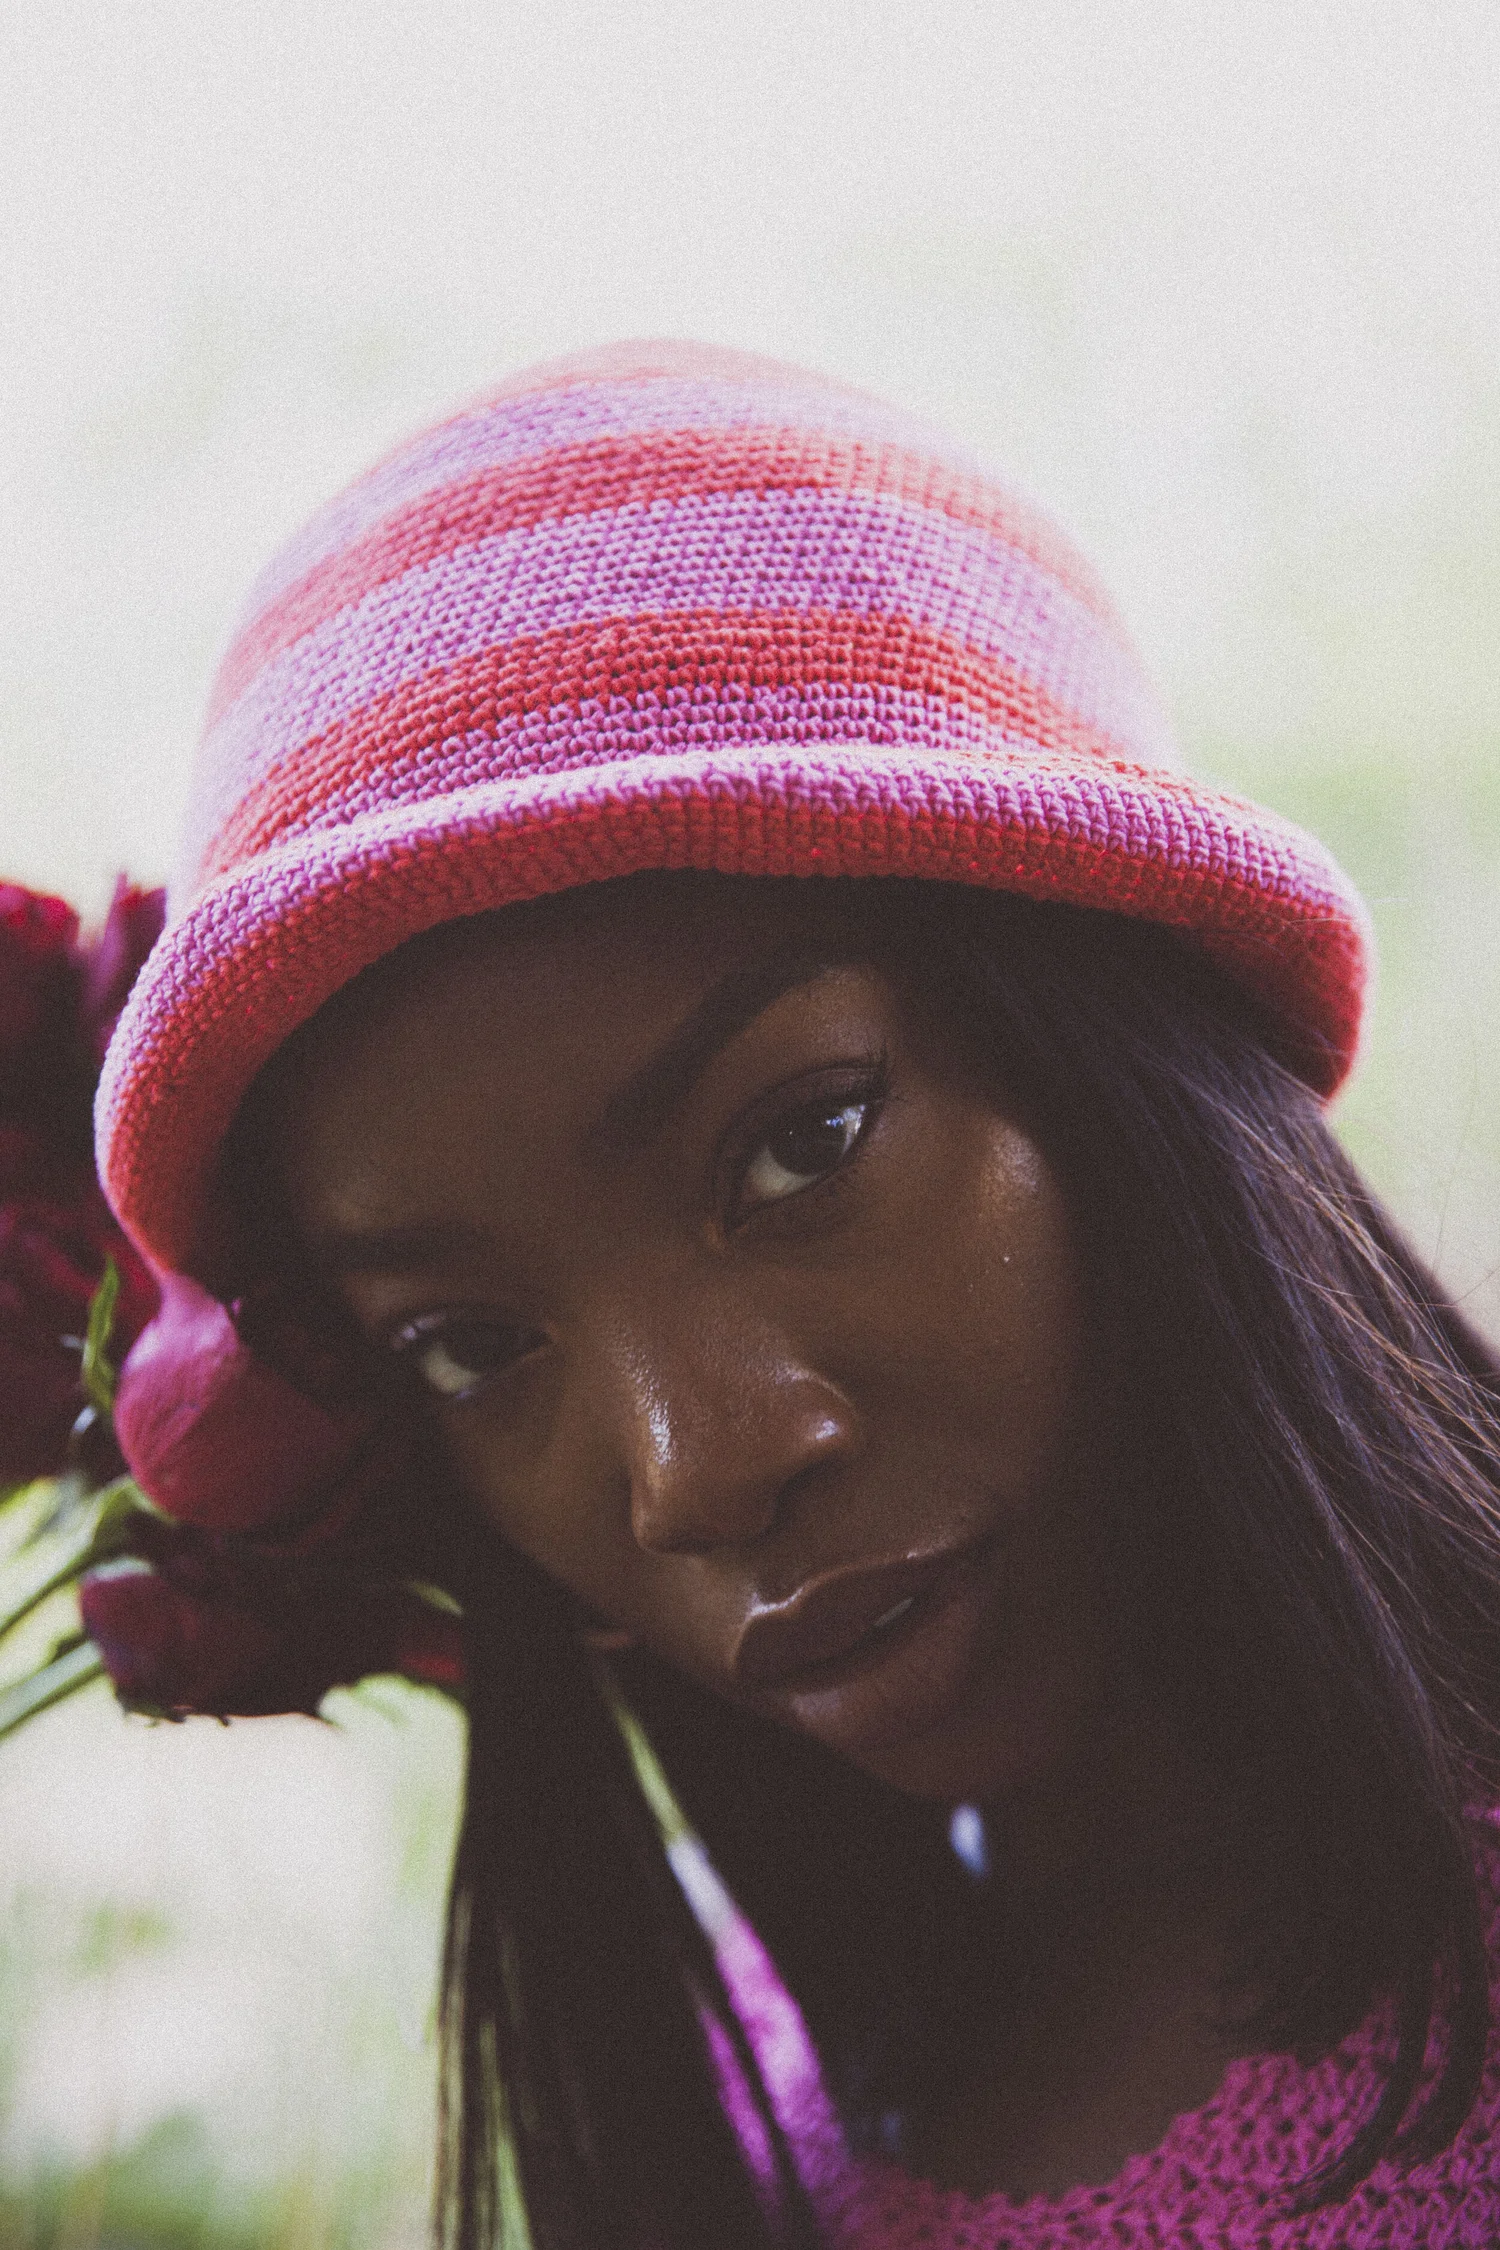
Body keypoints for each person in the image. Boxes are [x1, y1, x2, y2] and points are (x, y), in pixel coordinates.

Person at [90, 341, 1500, 2248]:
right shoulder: (764, 2092)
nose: (697, 1472)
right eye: (475, 1344)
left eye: (802, 1143)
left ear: (1139, 1042)